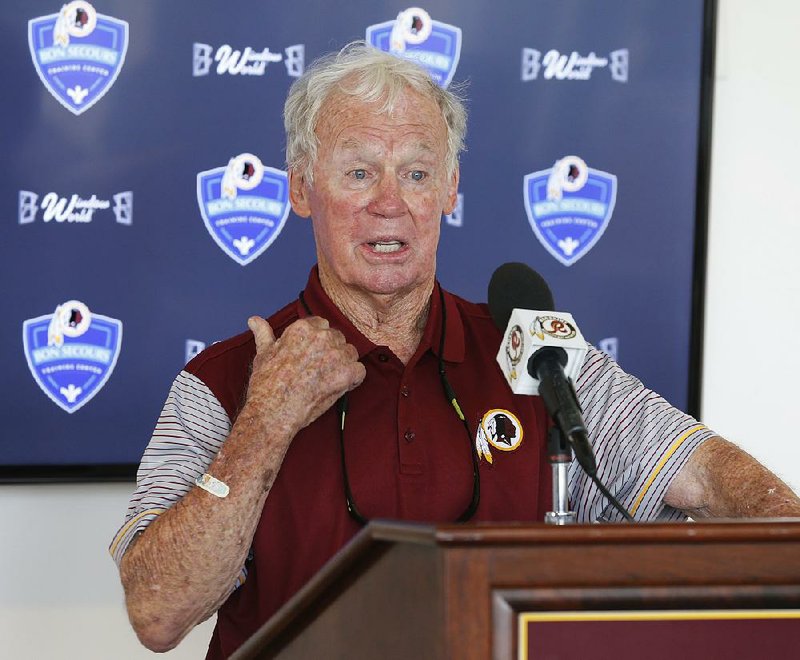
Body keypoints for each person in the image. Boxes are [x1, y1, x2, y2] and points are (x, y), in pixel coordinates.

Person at [110, 43, 800, 657]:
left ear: (450, 191)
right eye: (358, 173)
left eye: (416, 173)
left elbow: (710, 479)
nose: (392, 202)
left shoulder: (534, 352)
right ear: (299, 190)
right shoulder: (225, 378)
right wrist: (265, 421)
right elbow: (157, 614)